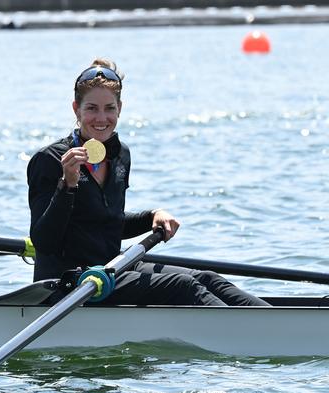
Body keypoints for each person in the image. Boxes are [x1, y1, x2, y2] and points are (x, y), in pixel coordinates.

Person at [26, 58, 269, 307]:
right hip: (69, 283)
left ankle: (275, 324)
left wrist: (152, 215)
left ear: (120, 108)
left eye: (109, 108)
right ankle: (256, 339)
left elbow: (106, 225)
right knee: (183, 287)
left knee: (208, 278)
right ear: (76, 109)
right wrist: (67, 185)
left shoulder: (120, 155)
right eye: (92, 108)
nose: (101, 118)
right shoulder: (50, 160)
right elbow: (45, 242)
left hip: (110, 268)